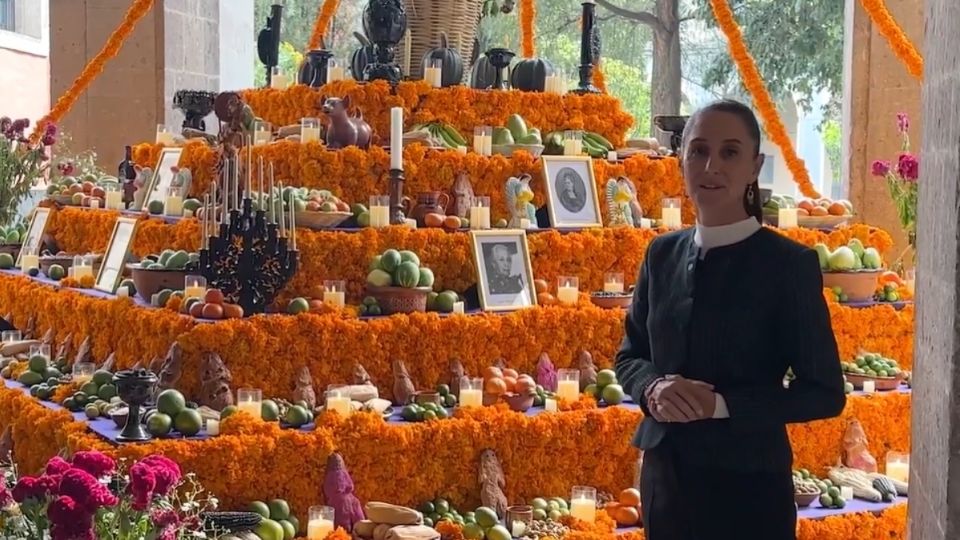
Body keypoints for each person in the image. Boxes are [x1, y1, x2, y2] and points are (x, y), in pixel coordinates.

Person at [615, 100, 846, 540]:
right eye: (698, 150)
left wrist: (721, 405)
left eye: (730, 152)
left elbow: (825, 393)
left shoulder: (788, 265)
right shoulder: (661, 254)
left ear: (755, 166)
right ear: (681, 159)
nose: (711, 166)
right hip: (666, 485)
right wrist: (653, 387)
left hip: (748, 492)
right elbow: (630, 357)